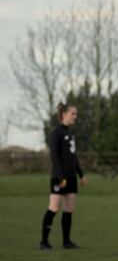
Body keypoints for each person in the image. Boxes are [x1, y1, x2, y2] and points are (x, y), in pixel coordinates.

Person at [40, 103, 86, 250]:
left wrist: (81, 174)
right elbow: (54, 157)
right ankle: (44, 242)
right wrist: (60, 178)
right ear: (64, 114)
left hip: (72, 178)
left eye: (76, 114)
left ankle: (66, 242)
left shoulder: (70, 134)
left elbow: (73, 156)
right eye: (73, 113)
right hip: (59, 178)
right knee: (54, 208)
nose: (75, 116)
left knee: (69, 209)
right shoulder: (56, 132)